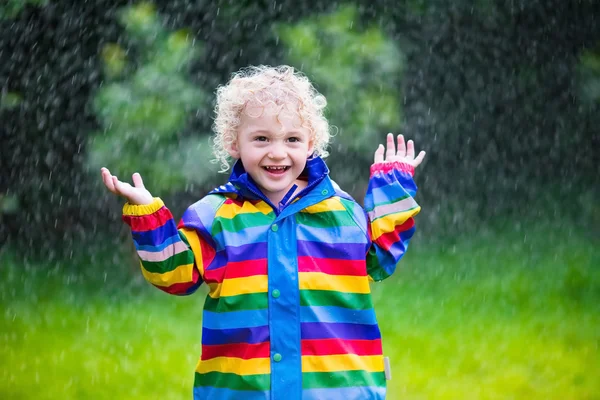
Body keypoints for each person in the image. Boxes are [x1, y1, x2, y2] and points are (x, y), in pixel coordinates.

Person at [100, 65, 425, 400]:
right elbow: (173, 274)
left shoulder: (341, 214)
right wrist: (147, 213)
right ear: (233, 143)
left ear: (311, 143)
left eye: (292, 139)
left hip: (337, 392)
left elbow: (380, 258)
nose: (277, 152)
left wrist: (393, 186)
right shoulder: (215, 216)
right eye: (261, 138)